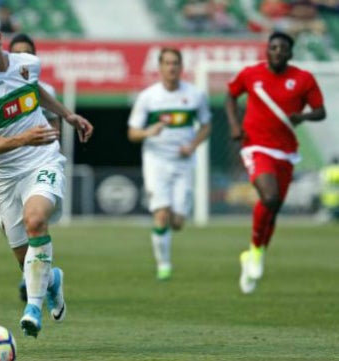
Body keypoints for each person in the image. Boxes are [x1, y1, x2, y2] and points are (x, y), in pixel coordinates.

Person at [0, 13, 94, 338]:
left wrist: (67, 114)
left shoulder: (28, 63)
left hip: (40, 159)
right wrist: (21, 138)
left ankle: (32, 308)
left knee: (36, 221)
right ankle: (52, 281)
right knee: (26, 259)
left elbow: (34, 90)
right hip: (2, 177)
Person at [225, 31, 326, 294]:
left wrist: (302, 118)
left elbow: (320, 110)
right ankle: (256, 251)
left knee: (273, 209)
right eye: (273, 47)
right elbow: (230, 95)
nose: (278, 52)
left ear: (290, 54)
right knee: (269, 197)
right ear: (267, 51)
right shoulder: (251, 74)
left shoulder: (303, 79)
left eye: (283, 48)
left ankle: (253, 254)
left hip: (286, 152)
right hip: (255, 146)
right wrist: (235, 125)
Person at [127, 48, 212, 281]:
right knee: (161, 214)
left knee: (177, 222)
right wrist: (148, 131)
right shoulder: (148, 97)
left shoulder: (195, 95)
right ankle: (163, 265)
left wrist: (193, 145)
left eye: (175, 63)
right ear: (160, 67)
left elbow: (206, 125)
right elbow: (132, 133)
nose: (171, 68)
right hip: (156, 161)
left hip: (184, 162)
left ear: (181, 67)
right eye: (167, 63)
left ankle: (171, 232)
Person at [9, 33, 61, 132]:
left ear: (34, 57)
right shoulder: (0, 89)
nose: (22, 58)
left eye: (27, 54)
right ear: (10, 58)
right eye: (17, 54)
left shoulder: (47, 91)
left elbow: (54, 125)